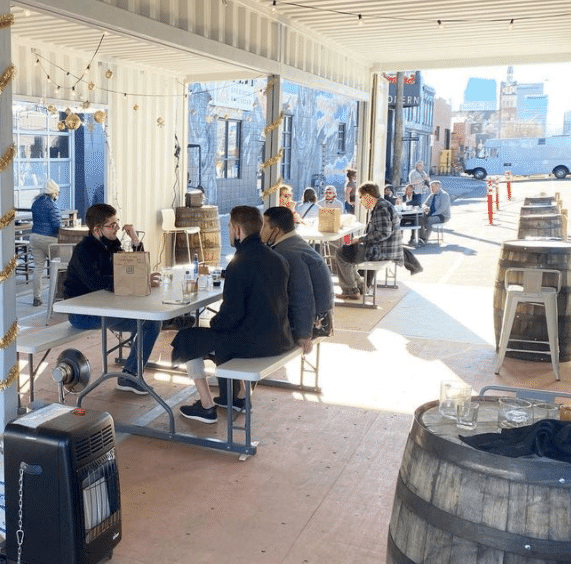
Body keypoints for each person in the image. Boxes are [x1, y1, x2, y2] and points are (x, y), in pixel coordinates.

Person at [171, 205, 293, 423]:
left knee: (187, 338)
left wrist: (214, 325)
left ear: (237, 230)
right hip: (279, 338)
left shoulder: (239, 262)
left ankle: (207, 406)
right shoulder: (277, 258)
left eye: (229, 227)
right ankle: (239, 397)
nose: (229, 232)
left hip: (254, 344)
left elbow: (231, 315)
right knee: (216, 337)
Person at [63, 202, 161, 395]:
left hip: (106, 309)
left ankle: (130, 375)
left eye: (117, 223)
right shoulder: (84, 251)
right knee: (149, 323)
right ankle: (130, 377)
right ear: (97, 230)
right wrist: (140, 280)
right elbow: (98, 283)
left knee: (151, 323)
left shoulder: (111, 245)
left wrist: (135, 240)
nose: (117, 228)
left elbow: (134, 267)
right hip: (82, 314)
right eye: (112, 225)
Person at [262, 207, 334, 354]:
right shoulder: (295, 243)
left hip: (313, 325)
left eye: (264, 225)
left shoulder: (286, 253)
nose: (260, 230)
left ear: (276, 230)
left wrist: (303, 334)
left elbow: (302, 294)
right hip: (323, 318)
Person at [335, 181, 402, 300]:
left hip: (383, 251)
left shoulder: (381, 208)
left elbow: (383, 233)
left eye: (361, 197)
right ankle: (360, 286)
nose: (360, 201)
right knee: (348, 251)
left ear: (368, 196)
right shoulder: (383, 205)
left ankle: (350, 290)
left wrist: (360, 239)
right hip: (388, 249)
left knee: (341, 252)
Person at [28, 179, 60, 307]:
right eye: (57, 193)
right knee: (55, 267)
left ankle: (37, 298)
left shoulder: (35, 203)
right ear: (53, 193)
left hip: (35, 237)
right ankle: (55, 295)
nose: (57, 195)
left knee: (38, 268)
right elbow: (56, 225)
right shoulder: (52, 205)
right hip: (49, 239)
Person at [417, 180, 451, 245]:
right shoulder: (432, 195)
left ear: (438, 187)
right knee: (420, 219)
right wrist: (425, 207)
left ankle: (424, 239)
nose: (431, 189)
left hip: (442, 215)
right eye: (430, 187)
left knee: (429, 220)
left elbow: (442, 209)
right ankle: (420, 238)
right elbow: (424, 204)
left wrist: (432, 215)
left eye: (433, 187)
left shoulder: (444, 195)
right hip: (432, 214)